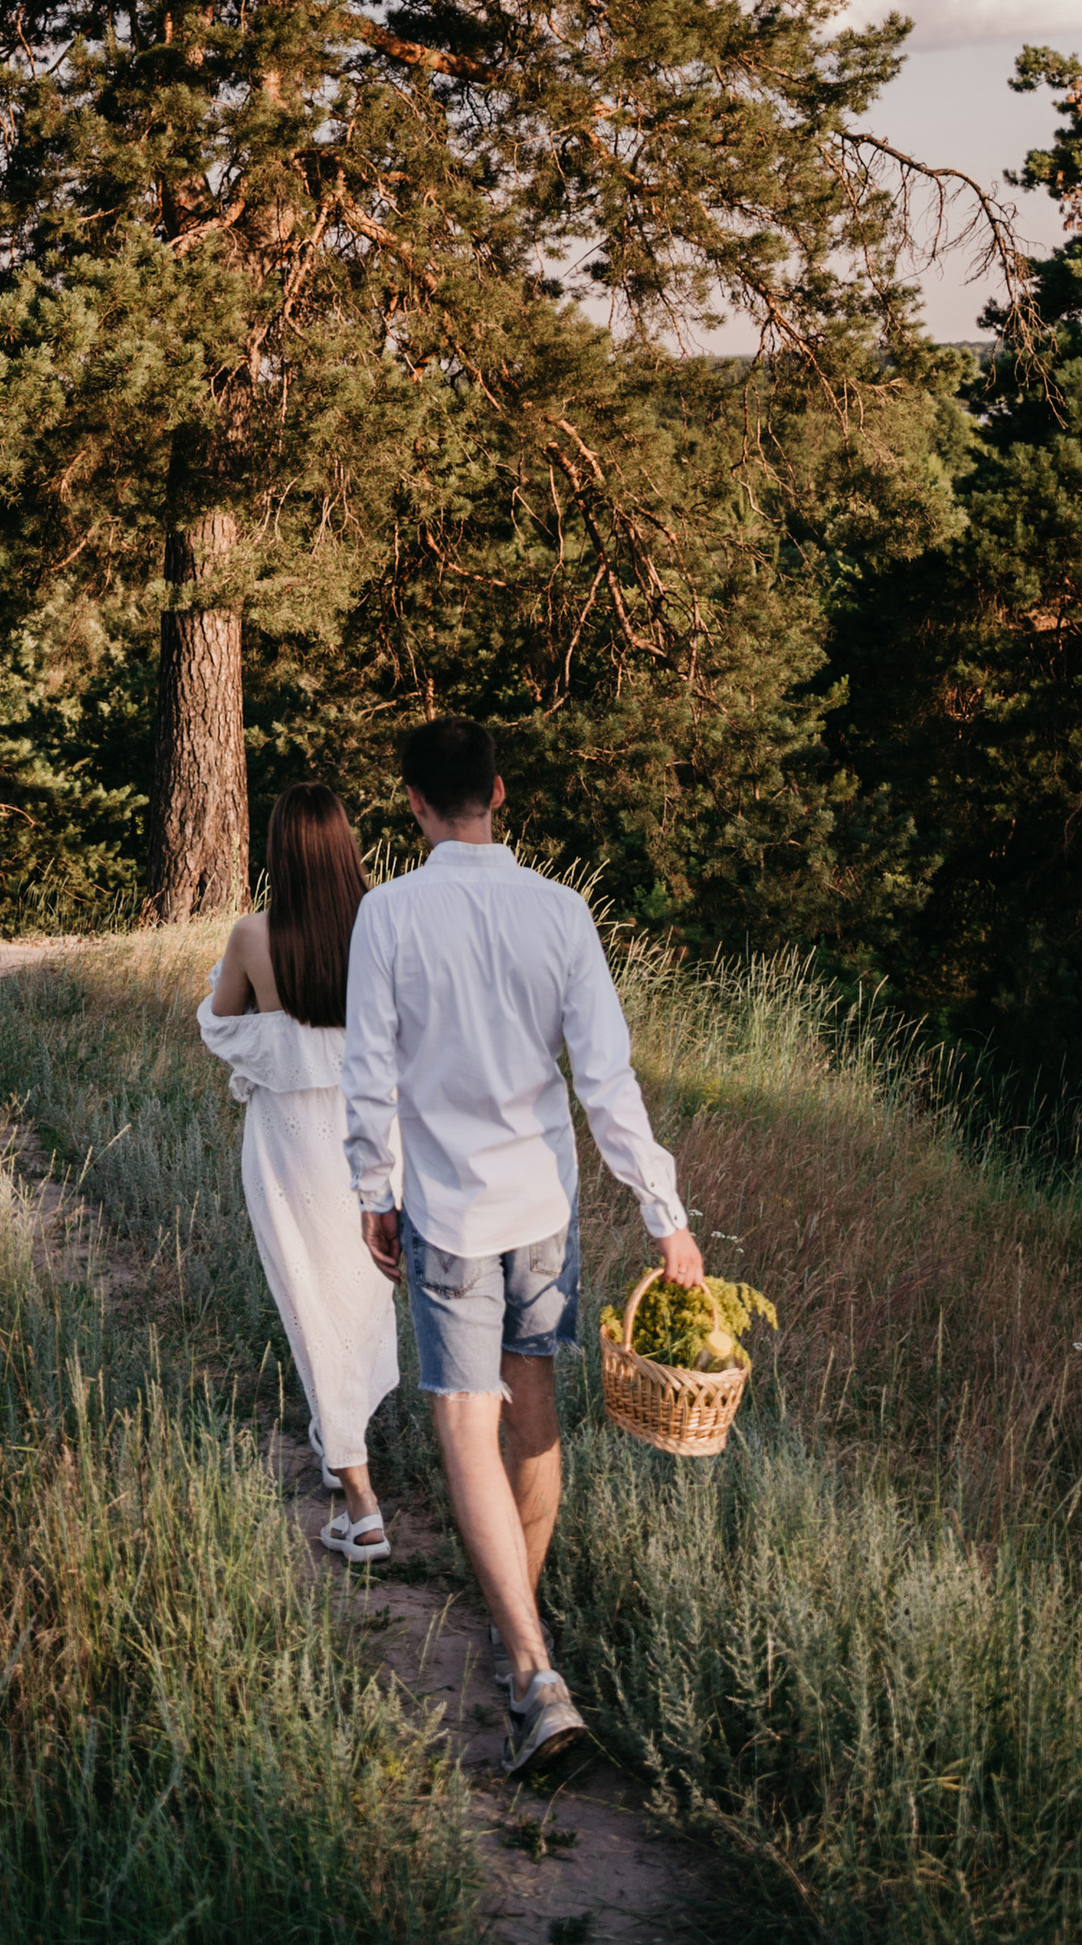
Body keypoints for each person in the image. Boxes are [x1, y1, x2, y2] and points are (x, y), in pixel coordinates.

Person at [344, 717, 704, 1778]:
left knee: (466, 1423)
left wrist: (373, 1192)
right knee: (532, 1407)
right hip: (541, 1204)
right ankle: (521, 1661)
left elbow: (369, 1071)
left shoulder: (387, 914)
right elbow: (605, 1079)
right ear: (497, 793)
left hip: (447, 1210)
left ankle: (535, 1670)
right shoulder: (561, 911)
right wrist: (663, 1210)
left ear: (415, 803)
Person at [199, 783, 401, 1563]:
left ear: (279, 850)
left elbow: (220, 1025)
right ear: (347, 847)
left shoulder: (254, 936)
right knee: (359, 1303)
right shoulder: (382, 922)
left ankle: (362, 1505)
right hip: (373, 1138)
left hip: (288, 1145)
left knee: (311, 1307)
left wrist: (277, 1040)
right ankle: (340, 1442)